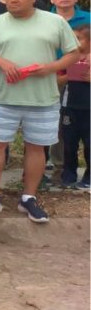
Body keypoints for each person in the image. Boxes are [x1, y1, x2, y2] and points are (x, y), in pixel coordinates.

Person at [0, 0, 80, 223]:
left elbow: (74, 53)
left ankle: (29, 198)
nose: (13, 0)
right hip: (4, 98)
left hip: (43, 98)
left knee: (36, 147)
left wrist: (52, 67)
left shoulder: (54, 22)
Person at [59, 24, 90, 189]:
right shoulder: (69, 57)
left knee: (89, 143)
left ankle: (89, 176)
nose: (74, 41)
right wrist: (71, 74)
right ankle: (69, 173)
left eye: (79, 38)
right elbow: (57, 79)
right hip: (69, 106)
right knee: (69, 142)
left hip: (89, 109)